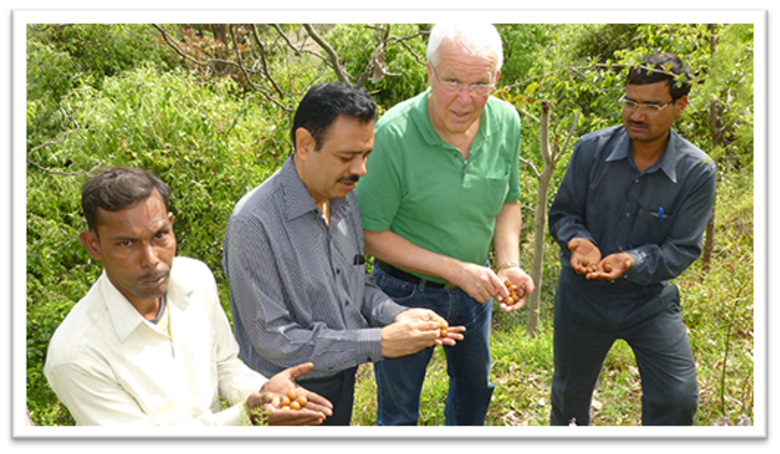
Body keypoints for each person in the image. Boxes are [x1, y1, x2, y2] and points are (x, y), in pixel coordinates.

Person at [222, 81, 464, 426]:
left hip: (341, 379)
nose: (360, 170)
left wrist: (397, 315)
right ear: (305, 144)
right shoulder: (253, 223)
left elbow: (354, 285)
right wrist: (378, 342)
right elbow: (275, 339)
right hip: (285, 398)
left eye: (365, 155)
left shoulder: (343, 196)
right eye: (346, 157)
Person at [44, 167, 333, 426]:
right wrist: (246, 415)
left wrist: (265, 394)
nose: (151, 259)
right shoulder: (77, 354)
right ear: (93, 245)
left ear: (171, 224)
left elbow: (224, 365)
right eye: (126, 243)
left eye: (160, 235)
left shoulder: (195, 280)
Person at [355, 23, 534, 426]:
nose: (465, 99)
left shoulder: (506, 121)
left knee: (475, 390)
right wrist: (456, 270)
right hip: (404, 292)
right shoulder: (393, 136)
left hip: (476, 292)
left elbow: (507, 201)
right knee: (399, 409)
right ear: (430, 72)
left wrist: (507, 265)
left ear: (497, 79)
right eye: (452, 80)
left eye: (479, 84)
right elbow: (368, 234)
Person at [547, 53, 717, 426]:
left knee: (677, 398)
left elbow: (682, 248)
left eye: (652, 106)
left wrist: (632, 261)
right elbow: (563, 213)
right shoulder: (591, 150)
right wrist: (579, 241)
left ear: (680, 105)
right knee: (568, 400)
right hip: (582, 298)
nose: (636, 115)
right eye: (630, 102)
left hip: (649, 301)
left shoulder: (697, 171)